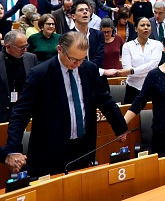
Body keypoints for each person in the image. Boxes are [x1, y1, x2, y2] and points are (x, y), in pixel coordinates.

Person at [4, 32, 128, 176]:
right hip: (50, 149)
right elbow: (20, 113)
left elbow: (105, 100)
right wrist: (13, 149)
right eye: (73, 59)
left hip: (83, 146)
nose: (77, 64)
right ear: (60, 49)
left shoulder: (89, 69)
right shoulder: (40, 74)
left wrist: (120, 127)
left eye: (81, 59)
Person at [119, 17, 162, 104]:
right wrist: (131, 71)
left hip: (152, 87)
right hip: (133, 88)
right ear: (135, 29)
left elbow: (153, 65)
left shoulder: (157, 44)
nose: (146, 27)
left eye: (148, 25)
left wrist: (133, 71)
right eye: (142, 25)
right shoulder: (127, 46)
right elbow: (127, 69)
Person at [0, 31, 38, 122]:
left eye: (26, 46)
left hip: (25, 110)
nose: (25, 50)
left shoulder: (31, 58)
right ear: (8, 47)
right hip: (3, 112)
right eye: (21, 48)